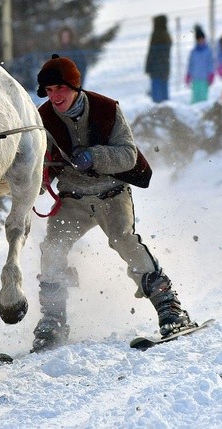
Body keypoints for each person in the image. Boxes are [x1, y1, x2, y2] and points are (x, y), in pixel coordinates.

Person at [31, 54, 195, 352]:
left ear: (74, 86)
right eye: (49, 91)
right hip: (73, 199)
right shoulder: (42, 119)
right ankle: (53, 320)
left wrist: (95, 156)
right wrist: (37, 178)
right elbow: (41, 161)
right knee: (53, 248)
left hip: (112, 194)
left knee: (124, 240)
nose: (55, 96)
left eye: (60, 89)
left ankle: (169, 306)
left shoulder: (107, 109)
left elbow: (128, 154)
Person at [145, 14, 172, 103]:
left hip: (155, 68)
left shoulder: (155, 35)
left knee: (156, 94)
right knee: (164, 91)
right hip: (165, 68)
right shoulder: (167, 35)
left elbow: (151, 53)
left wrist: (147, 67)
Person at [185, 25, 215, 104]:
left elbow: (211, 64)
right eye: (199, 40)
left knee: (203, 98)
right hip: (195, 79)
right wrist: (188, 75)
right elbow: (190, 65)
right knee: (195, 98)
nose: (201, 41)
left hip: (205, 79)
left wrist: (211, 74)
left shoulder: (208, 51)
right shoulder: (193, 52)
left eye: (202, 39)